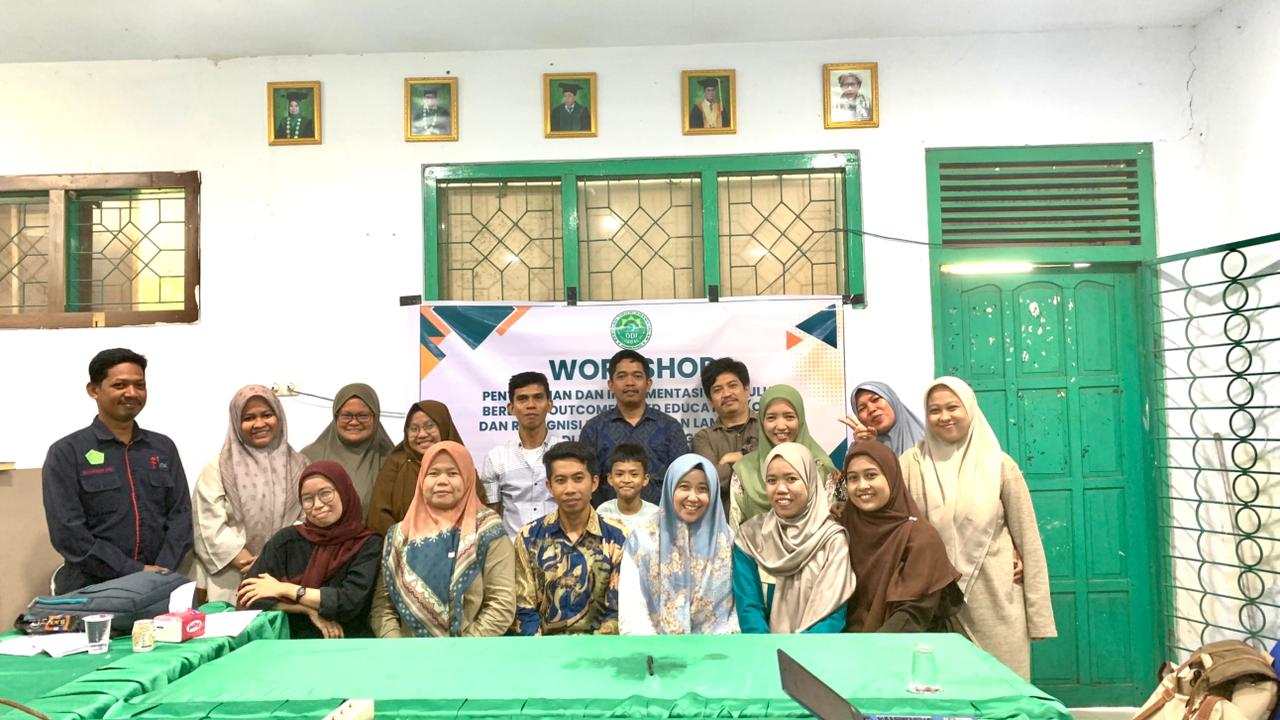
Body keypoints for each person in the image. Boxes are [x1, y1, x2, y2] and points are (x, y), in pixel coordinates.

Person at [900, 377, 1056, 679]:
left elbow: (1028, 539)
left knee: (1003, 690)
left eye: (952, 407)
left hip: (995, 603)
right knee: (947, 691)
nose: (944, 416)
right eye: (934, 410)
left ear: (970, 409)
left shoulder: (1000, 466)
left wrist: (1038, 617)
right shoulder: (911, 464)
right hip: (935, 604)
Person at [42, 348, 192, 594]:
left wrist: (162, 571)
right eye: (119, 385)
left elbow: (181, 516)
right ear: (94, 390)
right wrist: (133, 571)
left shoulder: (162, 448)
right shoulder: (67, 452)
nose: (131, 393)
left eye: (139, 385)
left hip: (160, 586)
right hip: (92, 589)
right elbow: (68, 533)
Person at [370, 442, 516, 637]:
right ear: (421, 479)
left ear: (468, 478)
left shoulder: (488, 530)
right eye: (433, 473)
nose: (442, 481)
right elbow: (383, 607)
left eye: (453, 473)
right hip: (407, 652)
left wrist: (459, 649)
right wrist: (398, 647)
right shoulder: (398, 535)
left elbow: (502, 603)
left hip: (471, 650)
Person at [236, 461, 382, 639]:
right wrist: (306, 609)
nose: (317, 504)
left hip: (348, 640)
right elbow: (248, 597)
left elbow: (348, 602)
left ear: (344, 492)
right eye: (307, 499)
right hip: (290, 642)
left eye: (325, 493)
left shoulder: (367, 544)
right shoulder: (286, 541)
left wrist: (285, 589)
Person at [192, 385, 309, 603]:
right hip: (232, 575)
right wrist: (252, 564)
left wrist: (273, 559)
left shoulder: (300, 465)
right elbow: (209, 526)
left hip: (286, 574)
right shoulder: (218, 468)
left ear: (279, 416)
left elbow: (307, 519)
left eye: (267, 414)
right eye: (248, 418)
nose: (259, 423)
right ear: (236, 422)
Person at [836, 440, 963, 633]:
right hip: (843, 640)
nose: (862, 486)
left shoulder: (920, 538)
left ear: (891, 476)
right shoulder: (843, 528)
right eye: (853, 478)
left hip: (900, 644)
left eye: (871, 475)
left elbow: (913, 614)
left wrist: (870, 648)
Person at [733, 443, 854, 634]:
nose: (780, 489)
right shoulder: (750, 537)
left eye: (791, 478)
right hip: (763, 648)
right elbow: (749, 609)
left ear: (810, 481)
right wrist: (768, 648)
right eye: (772, 480)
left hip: (816, 648)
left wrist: (797, 650)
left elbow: (832, 616)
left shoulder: (832, 539)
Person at [513, 441, 626, 635]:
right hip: (544, 647)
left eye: (578, 478)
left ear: (594, 482)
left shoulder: (618, 538)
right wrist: (542, 649)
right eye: (560, 480)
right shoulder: (529, 537)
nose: (570, 489)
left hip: (601, 648)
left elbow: (617, 611)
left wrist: (590, 650)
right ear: (549, 486)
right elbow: (524, 610)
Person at [619, 454, 738, 635]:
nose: (693, 497)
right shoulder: (642, 540)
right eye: (684, 487)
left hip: (718, 647)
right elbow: (633, 614)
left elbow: (737, 610)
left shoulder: (727, 540)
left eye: (703, 489)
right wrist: (654, 650)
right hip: (655, 647)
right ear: (670, 488)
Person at [579, 350, 689, 506]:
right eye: (622, 376)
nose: (630, 382)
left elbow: (683, 478)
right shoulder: (593, 429)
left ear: (648, 384)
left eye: (637, 376)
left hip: (660, 517)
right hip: (607, 519)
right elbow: (585, 481)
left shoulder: (670, 427)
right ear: (611, 385)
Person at [728, 384, 840, 530]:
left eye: (789, 417)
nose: (781, 426)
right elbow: (735, 530)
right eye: (771, 418)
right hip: (754, 544)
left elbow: (832, 524)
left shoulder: (822, 467)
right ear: (761, 422)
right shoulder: (744, 470)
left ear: (800, 419)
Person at [367, 400, 463, 536]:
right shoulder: (397, 462)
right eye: (414, 428)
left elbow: (476, 510)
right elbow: (379, 514)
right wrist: (404, 541)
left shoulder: (461, 462)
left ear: (444, 426)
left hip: (459, 544)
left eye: (429, 426)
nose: (422, 434)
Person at [480, 372, 556, 539]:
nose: (531, 405)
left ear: (549, 404)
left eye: (538, 398)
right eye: (522, 399)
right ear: (511, 408)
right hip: (512, 549)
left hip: (558, 547)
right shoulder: (496, 458)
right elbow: (491, 515)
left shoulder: (566, 452)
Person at [301, 383, 395, 513]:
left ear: (375, 417)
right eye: (346, 416)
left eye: (363, 416)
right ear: (336, 417)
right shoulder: (308, 458)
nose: (354, 422)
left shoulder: (392, 460)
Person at [692, 357, 758, 510]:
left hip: (768, 519)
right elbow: (711, 481)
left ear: (747, 389)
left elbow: (773, 466)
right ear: (710, 400)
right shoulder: (703, 438)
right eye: (717, 390)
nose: (727, 394)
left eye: (732, 385)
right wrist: (753, 458)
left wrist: (735, 457)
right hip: (723, 521)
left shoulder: (767, 426)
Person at [840, 381, 926, 455]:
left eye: (875, 399)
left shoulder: (928, 443)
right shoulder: (857, 450)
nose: (871, 409)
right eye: (862, 408)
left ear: (892, 400)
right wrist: (866, 449)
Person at [595, 444, 659, 533]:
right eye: (619, 474)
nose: (626, 480)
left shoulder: (655, 514)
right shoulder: (603, 511)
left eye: (634, 474)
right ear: (610, 479)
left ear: (645, 479)